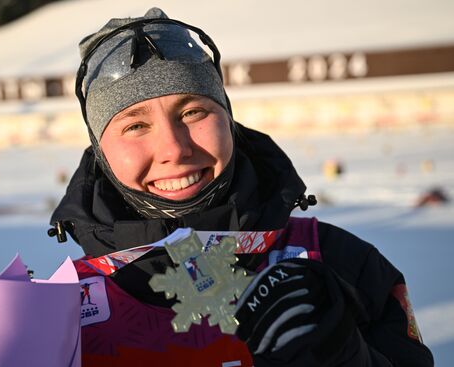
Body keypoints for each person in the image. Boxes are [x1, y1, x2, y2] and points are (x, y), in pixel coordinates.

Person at [49, 8, 434, 367]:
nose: (175, 149)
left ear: (228, 119)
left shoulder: (341, 262)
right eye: (135, 126)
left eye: (193, 112)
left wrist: (348, 357)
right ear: (100, 151)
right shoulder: (58, 307)